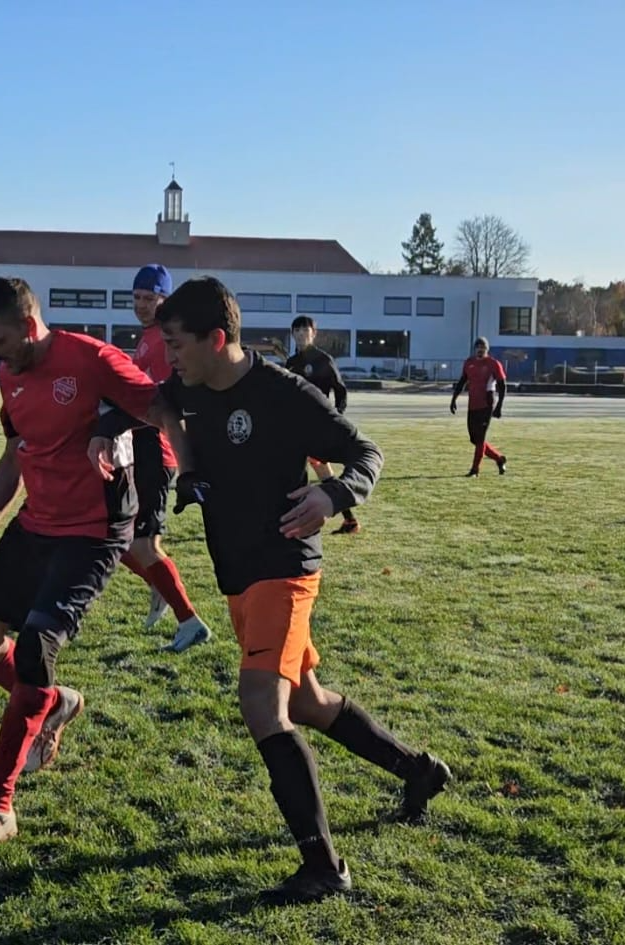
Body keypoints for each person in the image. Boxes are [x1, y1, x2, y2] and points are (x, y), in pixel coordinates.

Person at [141, 276, 453, 903]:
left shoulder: (285, 394)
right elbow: (161, 404)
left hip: (286, 566)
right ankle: (418, 772)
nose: (168, 356)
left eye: (175, 344)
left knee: (263, 705)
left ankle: (324, 867)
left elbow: (367, 452)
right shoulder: (188, 387)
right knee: (307, 700)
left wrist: (332, 493)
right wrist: (185, 464)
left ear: (216, 338)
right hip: (237, 570)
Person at [0, 276, 159, 856]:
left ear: (29, 326)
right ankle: (53, 703)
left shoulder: (89, 358)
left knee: (35, 647)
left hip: (95, 531)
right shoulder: (9, 377)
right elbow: (16, 453)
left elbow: (161, 403)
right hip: (37, 522)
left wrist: (111, 428)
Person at [121, 264, 212, 652]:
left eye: (150, 298)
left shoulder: (164, 339)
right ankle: (160, 585)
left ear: (164, 299)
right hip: (138, 446)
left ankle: (190, 622)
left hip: (155, 450)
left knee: (140, 545)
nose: (142, 305)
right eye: (137, 297)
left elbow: (166, 396)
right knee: (116, 538)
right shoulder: (147, 337)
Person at [284, 316, 360, 535]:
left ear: (313, 333)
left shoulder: (322, 360)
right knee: (300, 472)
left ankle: (346, 520)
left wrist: (336, 416)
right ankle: (349, 521)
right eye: (297, 330)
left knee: (322, 473)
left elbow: (340, 389)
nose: (301, 333)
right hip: (292, 426)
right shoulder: (291, 362)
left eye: (305, 329)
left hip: (314, 428)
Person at [449, 337, 507, 477]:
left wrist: (499, 406)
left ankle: (475, 470)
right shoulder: (469, 363)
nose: (480, 350)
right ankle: (499, 459)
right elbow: (462, 381)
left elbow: (502, 385)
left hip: (486, 405)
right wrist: (454, 399)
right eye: (478, 348)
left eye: (483, 348)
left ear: (487, 350)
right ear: (474, 349)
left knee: (480, 438)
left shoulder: (493, 364)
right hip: (472, 405)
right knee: (474, 439)